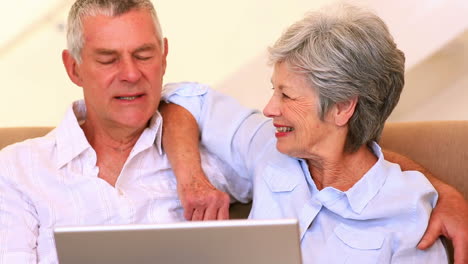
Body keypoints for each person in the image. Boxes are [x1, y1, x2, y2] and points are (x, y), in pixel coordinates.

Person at [160, 4, 467, 263]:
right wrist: (192, 180)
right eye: (273, 90)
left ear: (342, 108)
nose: (269, 109)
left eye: (287, 96)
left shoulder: (408, 212)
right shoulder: (268, 147)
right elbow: (187, 98)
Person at [0, 0, 249, 263]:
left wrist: (191, 172)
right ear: (74, 68)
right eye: (108, 60)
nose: (131, 74)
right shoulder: (18, 170)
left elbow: (286, 165)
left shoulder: (211, 158)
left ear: (164, 58)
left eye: (144, 56)